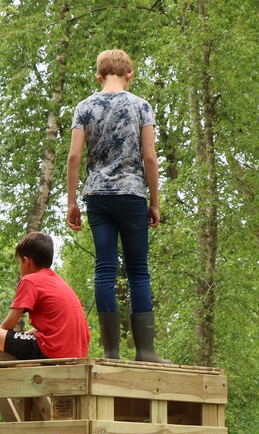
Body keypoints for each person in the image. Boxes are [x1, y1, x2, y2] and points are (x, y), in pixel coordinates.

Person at [66, 48, 165, 363]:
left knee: (104, 269)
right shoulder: (141, 106)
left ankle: (110, 351)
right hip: (132, 193)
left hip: (97, 196)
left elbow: (73, 157)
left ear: (98, 76)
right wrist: (155, 202)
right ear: (129, 74)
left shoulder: (84, 108)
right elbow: (150, 157)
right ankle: (146, 351)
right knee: (138, 270)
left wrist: (72, 202)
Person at [0, 232, 89, 362]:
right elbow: (53, 326)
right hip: (76, 352)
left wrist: (0, 343)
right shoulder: (58, 282)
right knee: (26, 335)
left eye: (19, 263)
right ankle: (18, 353)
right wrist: (20, 338)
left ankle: (11, 357)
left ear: (26, 261)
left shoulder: (29, 281)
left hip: (51, 351)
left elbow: (8, 324)